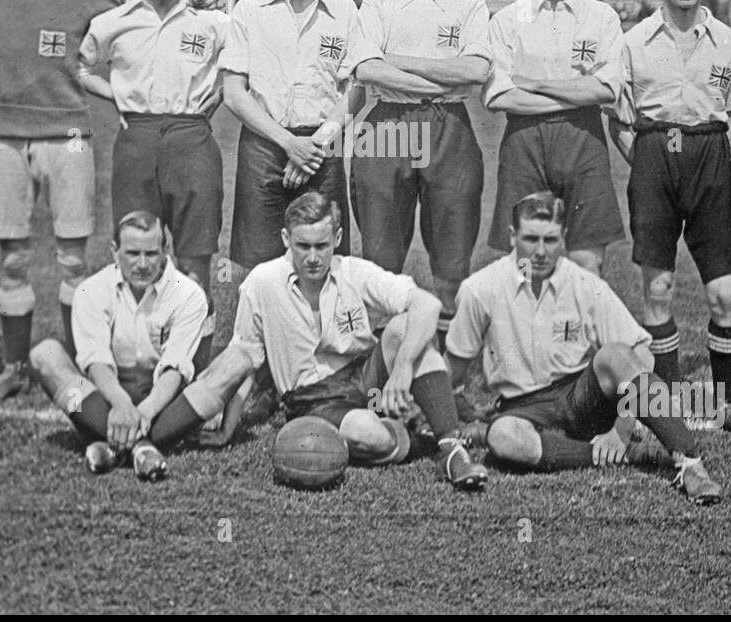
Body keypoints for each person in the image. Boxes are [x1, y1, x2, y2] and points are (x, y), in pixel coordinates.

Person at [144, 192, 490, 491]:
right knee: (363, 433)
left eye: (321, 246)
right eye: (303, 245)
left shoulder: (355, 271)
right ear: (285, 239)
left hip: (364, 377)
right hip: (312, 399)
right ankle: (420, 440)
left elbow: (427, 304)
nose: (312, 257)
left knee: (404, 325)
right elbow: (245, 357)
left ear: (337, 238)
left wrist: (401, 370)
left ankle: (450, 448)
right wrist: (228, 427)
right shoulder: (262, 283)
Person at [446, 192, 723, 504]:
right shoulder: (480, 289)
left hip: (581, 398)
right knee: (503, 437)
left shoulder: (583, 284)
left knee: (616, 355)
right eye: (530, 239)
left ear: (563, 238)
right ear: (512, 237)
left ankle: (690, 464)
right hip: (522, 408)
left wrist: (621, 427)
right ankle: (630, 454)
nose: (539, 251)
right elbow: (452, 369)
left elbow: (641, 350)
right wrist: (459, 418)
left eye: (550, 240)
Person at [609, 0, 731, 439]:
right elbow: (618, 119)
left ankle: (727, 405)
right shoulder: (633, 42)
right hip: (653, 157)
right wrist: (650, 162)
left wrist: (707, 157)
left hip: (709, 159)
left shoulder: (727, 41)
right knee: (658, 288)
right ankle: (670, 403)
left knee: (723, 292)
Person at [0, 0, 120, 402]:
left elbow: (139, 32)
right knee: (13, 260)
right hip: (5, 138)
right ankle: (14, 367)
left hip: (70, 137)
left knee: (74, 261)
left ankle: (79, 364)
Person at [79, 0, 229, 373]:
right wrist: (117, 97)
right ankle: (137, 363)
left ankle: (194, 370)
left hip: (192, 137)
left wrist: (218, 93)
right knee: (137, 253)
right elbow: (82, 68)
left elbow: (238, 67)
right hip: (136, 138)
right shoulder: (114, 23)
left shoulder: (213, 21)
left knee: (195, 257)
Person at [349, 0, 491, 346]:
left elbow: (476, 71)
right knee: (381, 254)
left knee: (452, 256)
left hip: (449, 125)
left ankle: (449, 369)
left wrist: (396, 60)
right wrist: (439, 71)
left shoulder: (468, 4)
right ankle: (383, 363)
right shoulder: (378, 4)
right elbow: (367, 71)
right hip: (388, 123)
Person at [483, 0, 624, 277]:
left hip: (583, 138)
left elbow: (607, 89)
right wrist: (577, 95)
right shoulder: (508, 19)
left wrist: (534, 83)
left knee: (586, 262)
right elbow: (500, 95)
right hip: (524, 139)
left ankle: (579, 333)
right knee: (526, 262)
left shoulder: (600, 16)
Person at [219, 0, 359, 271]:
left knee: (326, 264)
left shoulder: (344, 9)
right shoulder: (249, 9)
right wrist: (288, 143)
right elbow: (234, 93)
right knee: (259, 266)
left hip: (322, 145)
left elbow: (356, 89)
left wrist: (316, 144)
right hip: (264, 144)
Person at [28, 211, 207, 479]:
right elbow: (96, 361)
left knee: (234, 364)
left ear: (165, 250)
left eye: (152, 253)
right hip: (104, 400)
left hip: (161, 405)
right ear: (115, 251)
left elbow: (175, 369)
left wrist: (142, 413)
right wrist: (121, 405)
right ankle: (142, 447)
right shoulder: (91, 290)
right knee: (44, 355)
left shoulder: (189, 294)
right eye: (133, 254)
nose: (143, 264)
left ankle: (112, 443)